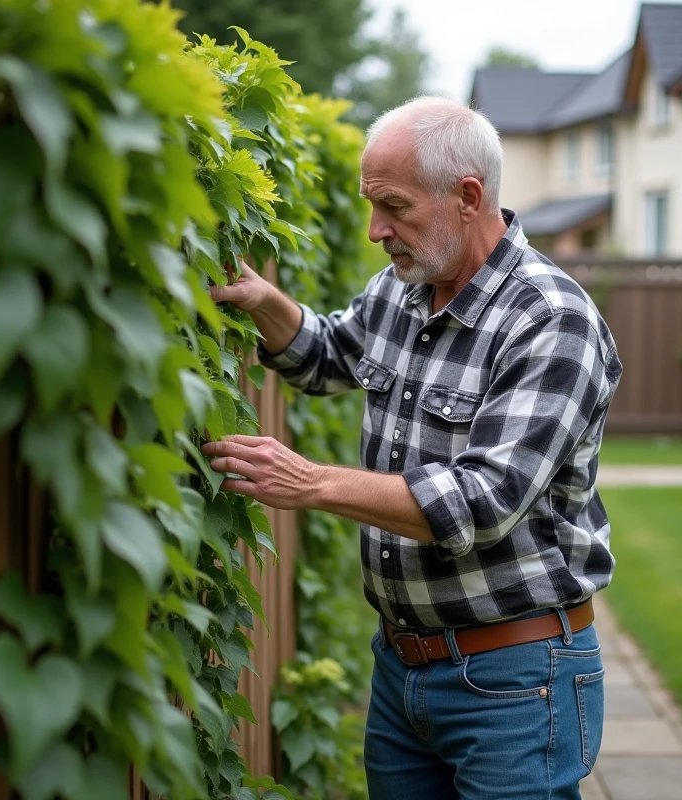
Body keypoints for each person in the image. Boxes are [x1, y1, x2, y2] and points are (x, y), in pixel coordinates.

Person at [202, 96, 622, 800]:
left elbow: (482, 503)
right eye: (370, 207)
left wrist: (310, 482)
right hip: (401, 670)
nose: (375, 231)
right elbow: (331, 354)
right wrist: (265, 302)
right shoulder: (406, 290)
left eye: (394, 207)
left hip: (518, 681)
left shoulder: (551, 322)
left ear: (467, 197)